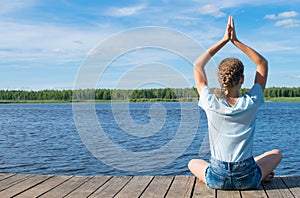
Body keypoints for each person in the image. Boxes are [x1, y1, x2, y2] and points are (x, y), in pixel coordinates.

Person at [188, 16, 282, 189]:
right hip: (247, 177)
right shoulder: (252, 101)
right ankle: (260, 176)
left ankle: (212, 179)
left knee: (193, 162)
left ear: (219, 79)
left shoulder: (210, 101)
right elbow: (262, 63)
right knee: (276, 154)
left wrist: (223, 40)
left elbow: (197, 66)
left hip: (217, 176)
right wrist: (236, 41)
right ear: (243, 79)